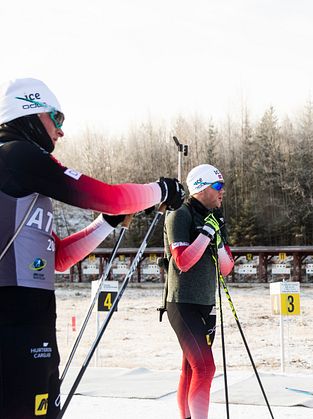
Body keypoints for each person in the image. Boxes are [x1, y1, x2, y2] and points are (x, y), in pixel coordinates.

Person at [0, 78, 184, 418]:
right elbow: (109, 197)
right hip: (13, 320)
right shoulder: (16, 154)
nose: (61, 131)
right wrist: (161, 189)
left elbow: (59, 259)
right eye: (57, 118)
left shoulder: (22, 175)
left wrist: (107, 224)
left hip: (31, 318)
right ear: (30, 112)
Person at [164, 163, 234, 419]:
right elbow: (182, 260)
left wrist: (217, 239)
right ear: (201, 188)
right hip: (183, 303)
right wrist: (206, 234)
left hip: (206, 303)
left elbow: (226, 268)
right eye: (217, 186)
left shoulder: (216, 218)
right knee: (205, 368)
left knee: (191, 369)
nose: (222, 191)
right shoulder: (179, 215)